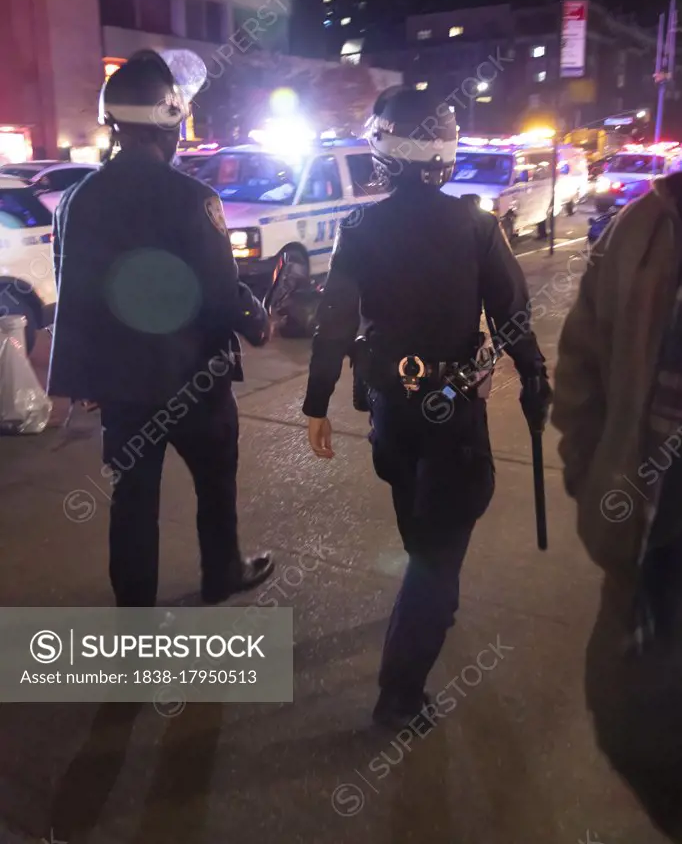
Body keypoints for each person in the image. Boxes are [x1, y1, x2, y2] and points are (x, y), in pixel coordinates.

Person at [302, 87, 551, 728]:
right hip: (452, 415)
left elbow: (333, 322)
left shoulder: (359, 229)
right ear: (447, 155)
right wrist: (533, 375)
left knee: (422, 529)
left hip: (392, 412)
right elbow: (512, 315)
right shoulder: (475, 226)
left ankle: (430, 600)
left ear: (381, 154)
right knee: (438, 553)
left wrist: (315, 402)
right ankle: (399, 696)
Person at [48, 49, 274, 607]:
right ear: (168, 121)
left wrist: (87, 377)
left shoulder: (76, 202)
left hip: (124, 389)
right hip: (195, 380)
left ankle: (134, 613)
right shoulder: (193, 198)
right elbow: (221, 293)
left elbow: (74, 295)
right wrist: (258, 317)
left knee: (132, 502)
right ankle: (221, 574)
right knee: (215, 485)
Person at [553, 170, 682, 840]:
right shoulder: (645, 226)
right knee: (631, 728)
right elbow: (580, 366)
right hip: (648, 559)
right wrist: (595, 483)